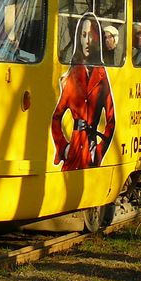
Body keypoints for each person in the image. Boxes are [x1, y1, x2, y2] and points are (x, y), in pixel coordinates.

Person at [51, 12, 116, 171]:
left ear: (96, 39)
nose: (87, 40)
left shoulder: (101, 76)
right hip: (73, 152)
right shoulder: (71, 76)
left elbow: (111, 120)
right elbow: (56, 117)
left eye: (91, 35)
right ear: (79, 39)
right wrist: (64, 148)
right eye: (83, 35)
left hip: (91, 153)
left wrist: (99, 151)